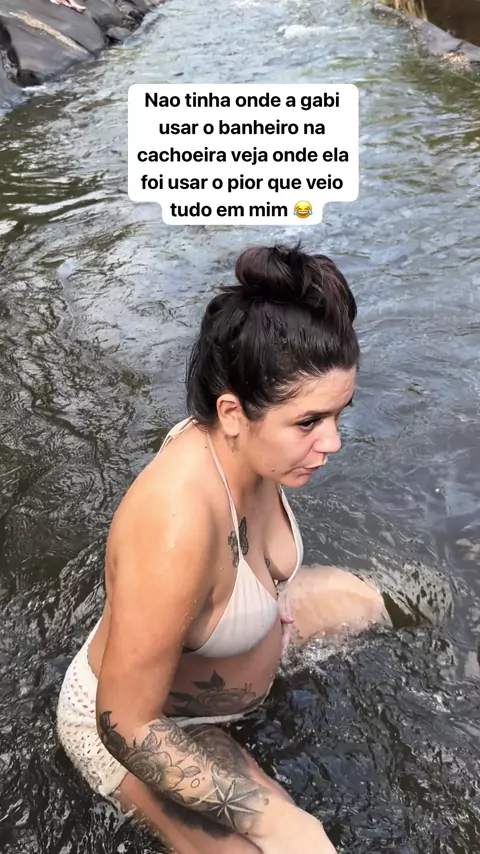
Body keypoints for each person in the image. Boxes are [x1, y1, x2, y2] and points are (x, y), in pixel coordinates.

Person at [57, 243, 388, 854]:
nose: (333, 443)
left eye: (339, 415)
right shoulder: (176, 526)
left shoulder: (253, 447)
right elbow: (125, 723)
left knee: (386, 601)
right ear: (232, 412)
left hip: (256, 636)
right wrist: (271, 820)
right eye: (310, 422)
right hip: (151, 724)